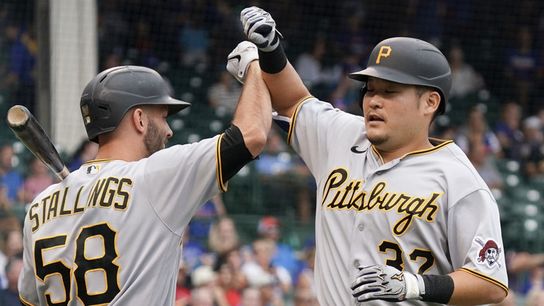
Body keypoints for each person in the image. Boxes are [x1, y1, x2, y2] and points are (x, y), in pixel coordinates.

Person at [227, 6, 508, 305]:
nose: (374, 100)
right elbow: (294, 101)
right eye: (370, 89)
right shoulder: (341, 135)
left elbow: (489, 281)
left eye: (389, 91)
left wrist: (413, 285)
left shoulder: (459, 180)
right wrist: (271, 50)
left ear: (429, 102)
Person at [18, 61, 272, 305]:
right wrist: (253, 63)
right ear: (139, 119)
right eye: (162, 117)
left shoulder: (39, 206)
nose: (169, 130)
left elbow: (30, 299)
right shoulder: (156, 176)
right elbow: (252, 134)